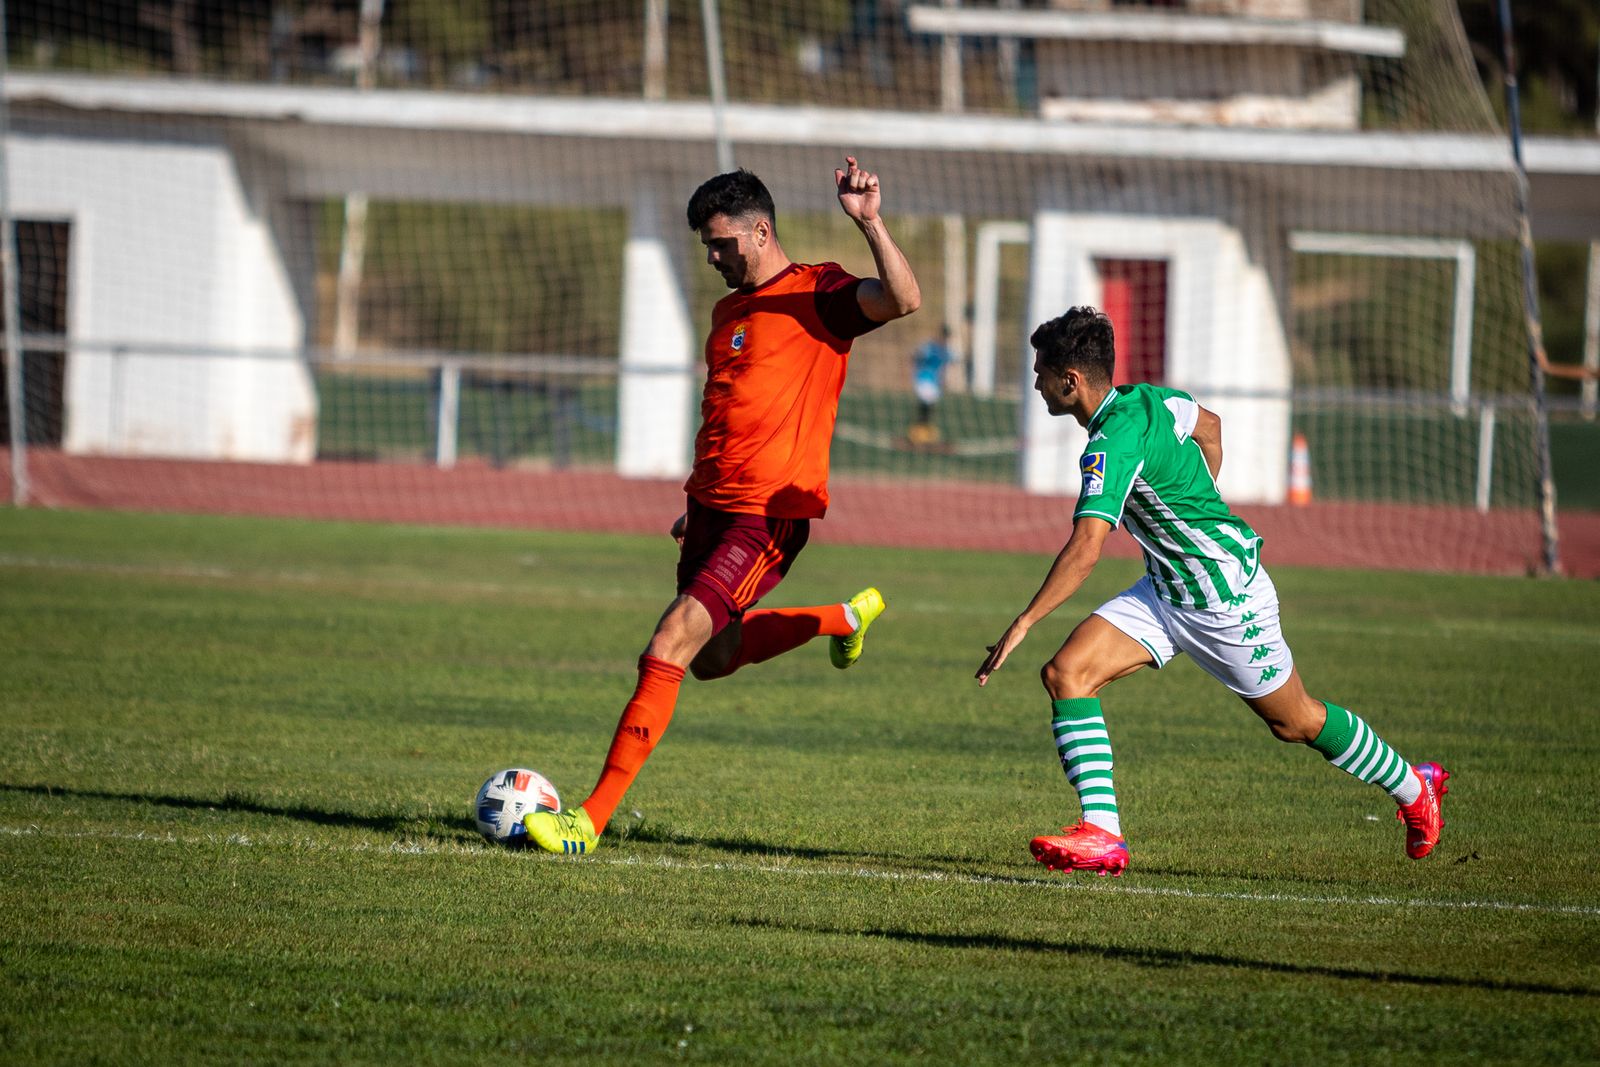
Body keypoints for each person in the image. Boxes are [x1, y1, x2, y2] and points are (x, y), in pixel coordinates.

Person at [525, 159, 921, 854]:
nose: (711, 257)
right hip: (711, 507)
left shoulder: (819, 293)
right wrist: (696, 499)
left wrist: (870, 223)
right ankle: (842, 617)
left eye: (720, 243)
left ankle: (586, 821)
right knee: (712, 657)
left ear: (760, 231)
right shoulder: (727, 311)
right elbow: (728, 411)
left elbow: (905, 299)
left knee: (670, 640)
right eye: (705, 246)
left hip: (767, 515)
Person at [976, 306, 1448, 876]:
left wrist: (1024, 621)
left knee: (1294, 721)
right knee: (1067, 674)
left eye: (1040, 371)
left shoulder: (1110, 444)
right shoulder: (1149, 397)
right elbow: (1211, 427)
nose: (1034, 381)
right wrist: (1197, 510)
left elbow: (1086, 547)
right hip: (1167, 589)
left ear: (1069, 381)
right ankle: (1103, 834)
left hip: (1224, 598)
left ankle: (1413, 785)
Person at [909, 326, 953, 445]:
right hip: (923, 379)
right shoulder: (930, 346)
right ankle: (918, 432)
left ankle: (924, 431)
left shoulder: (946, 350)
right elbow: (915, 355)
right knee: (925, 406)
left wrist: (944, 380)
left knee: (930, 408)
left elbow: (948, 363)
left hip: (934, 382)